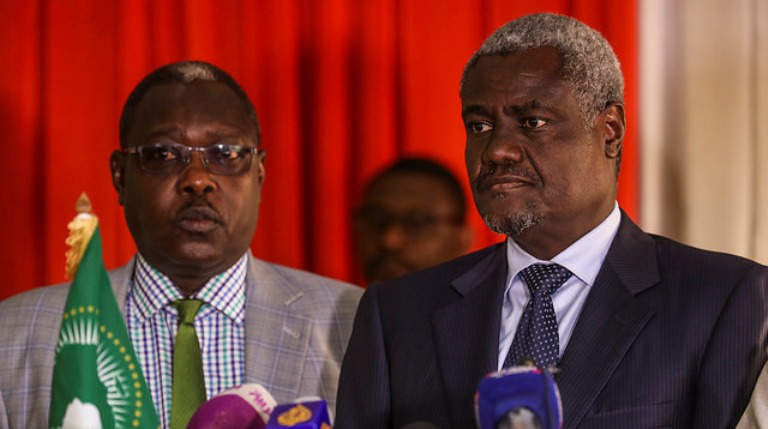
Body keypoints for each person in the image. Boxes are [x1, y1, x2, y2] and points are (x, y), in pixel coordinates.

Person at [336, 13, 768, 429]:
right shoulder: (397, 313)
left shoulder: (725, 298)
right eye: (481, 125)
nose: (497, 151)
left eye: (532, 122)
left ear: (610, 131)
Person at [0, 60, 363, 429]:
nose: (198, 180)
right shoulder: (13, 334)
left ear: (259, 172)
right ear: (120, 176)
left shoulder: (355, 324)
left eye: (227, 154)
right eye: (163, 155)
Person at [353, 157, 474, 284]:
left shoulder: (489, 302)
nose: (390, 241)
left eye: (418, 222)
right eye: (375, 220)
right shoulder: (335, 301)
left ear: (462, 241)